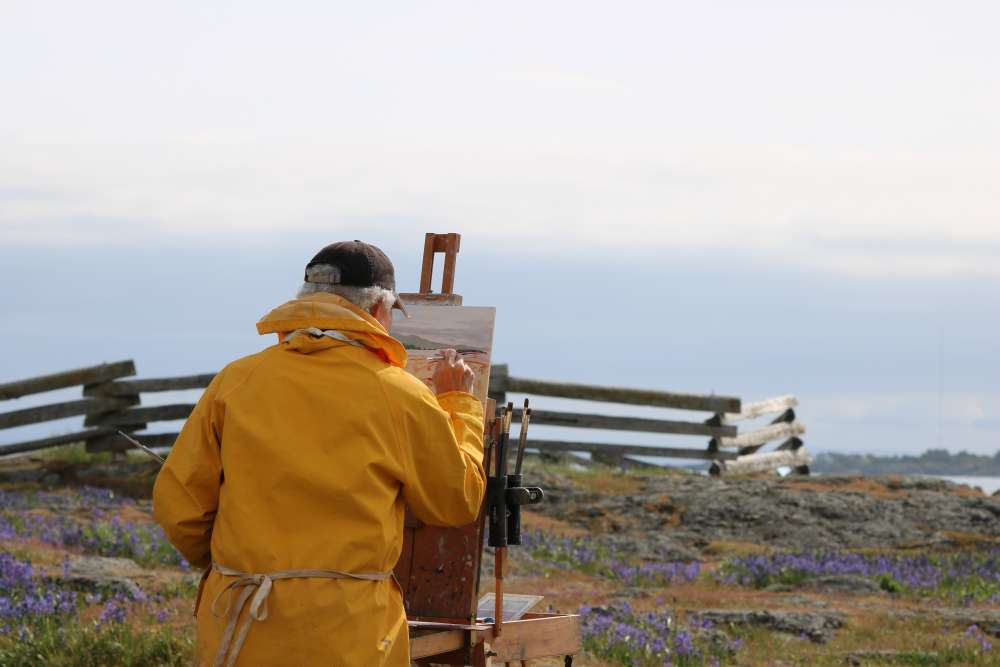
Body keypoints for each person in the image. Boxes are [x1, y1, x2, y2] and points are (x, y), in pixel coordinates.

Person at [152, 240, 487, 667]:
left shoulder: (237, 381)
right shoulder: (400, 393)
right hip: (351, 635)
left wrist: (235, 566)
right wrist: (459, 402)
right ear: (379, 310)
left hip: (241, 621)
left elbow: (179, 505)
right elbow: (455, 500)